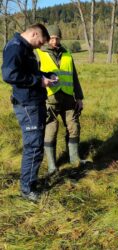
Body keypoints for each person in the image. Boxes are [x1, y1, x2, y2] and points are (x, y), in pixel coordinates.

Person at [1, 23, 56, 202]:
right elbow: (10, 75)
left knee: (36, 145)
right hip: (27, 104)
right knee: (33, 146)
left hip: (34, 102)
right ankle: (27, 189)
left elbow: (29, 72)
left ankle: (30, 182)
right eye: (40, 42)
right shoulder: (15, 47)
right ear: (33, 34)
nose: (40, 46)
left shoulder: (25, 48)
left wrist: (46, 75)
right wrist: (39, 82)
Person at [36, 25, 85, 176]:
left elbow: (74, 77)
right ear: (46, 39)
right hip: (49, 98)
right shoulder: (39, 54)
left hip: (69, 98)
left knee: (74, 126)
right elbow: (34, 77)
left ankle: (74, 160)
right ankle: (52, 166)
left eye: (57, 37)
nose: (54, 40)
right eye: (51, 38)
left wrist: (79, 97)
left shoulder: (68, 54)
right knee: (51, 129)